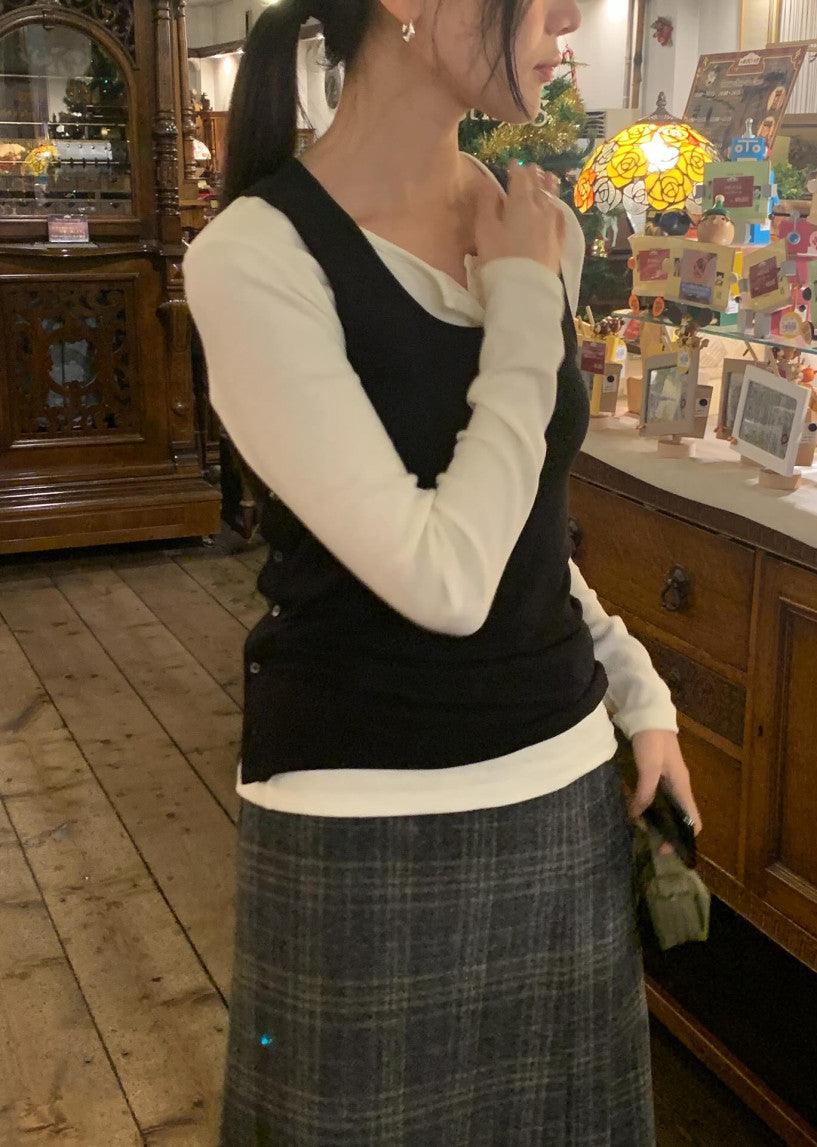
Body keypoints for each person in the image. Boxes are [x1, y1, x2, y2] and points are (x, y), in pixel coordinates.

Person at [184, 1, 702, 1143]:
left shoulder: (532, 225)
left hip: (564, 791)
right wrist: (517, 305)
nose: (570, 16)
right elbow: (446, 581)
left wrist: (638, 691)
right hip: (363, 821)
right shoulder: (254, 258)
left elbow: (527, 533)